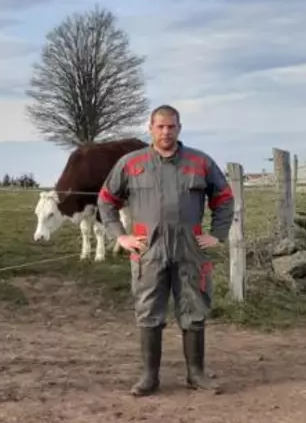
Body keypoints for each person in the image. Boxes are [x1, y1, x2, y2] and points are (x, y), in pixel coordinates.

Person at [97, 104, 235, 396]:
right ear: (150, 128)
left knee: (194, 309)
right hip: (149, 250)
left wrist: (218, 235)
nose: (165, 132)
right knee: (149, 311)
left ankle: (196, 374)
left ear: (179, 128)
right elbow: (106, 199)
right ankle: (149, 377)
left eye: (171, 126)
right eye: (160, 126)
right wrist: (120, 236)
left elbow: (223, 197)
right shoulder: (132, 163)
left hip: (190, 249)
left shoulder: (200, 162)